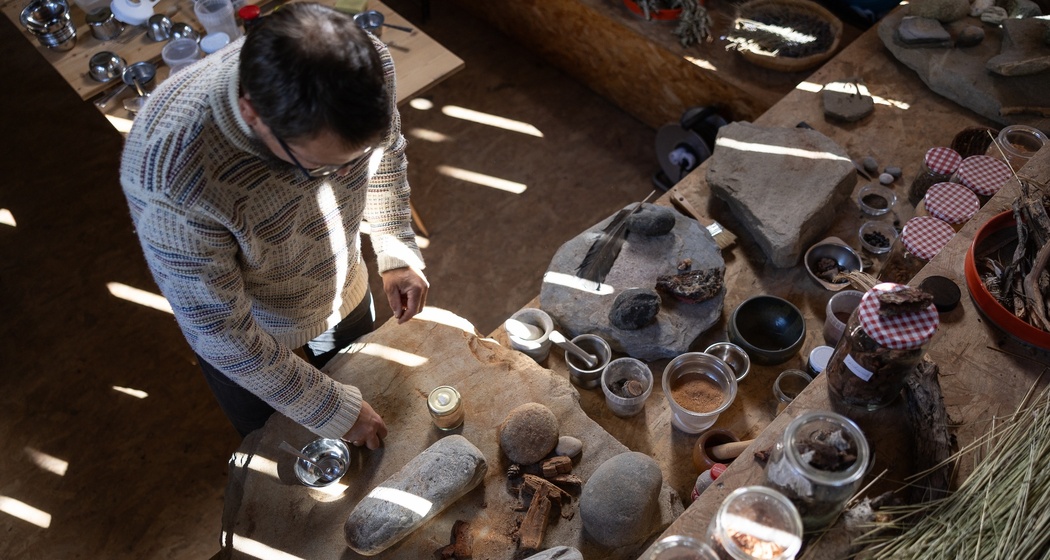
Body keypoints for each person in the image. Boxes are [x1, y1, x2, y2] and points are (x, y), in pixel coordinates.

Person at [119, 3, 428, 449]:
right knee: (275, 446)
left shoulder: (371, 64)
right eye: (322, 168)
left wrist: (394, 247)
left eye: (353, 162)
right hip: (247, 333)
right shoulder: (170, 175)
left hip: (340, 283)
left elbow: (384, 160)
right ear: (252, 114)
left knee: (372, 398)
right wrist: (326, 406)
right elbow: (221, 331)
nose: (346, 178)